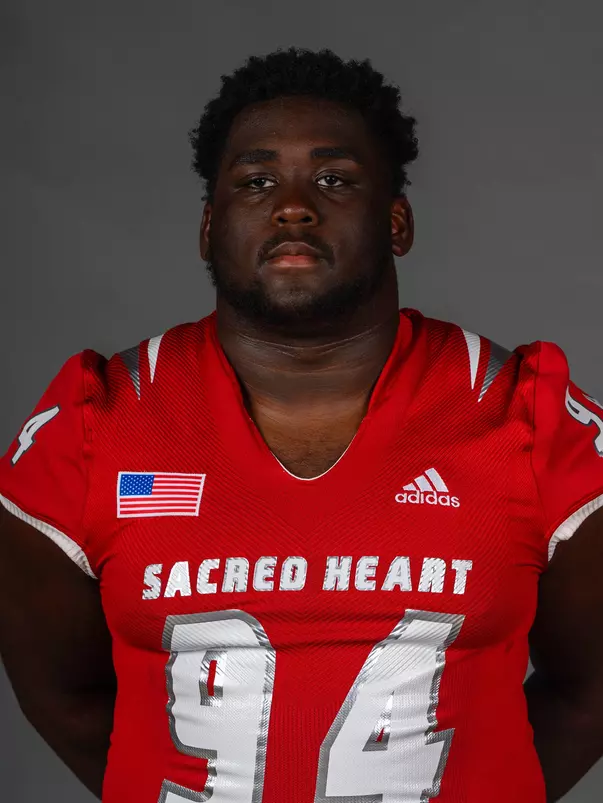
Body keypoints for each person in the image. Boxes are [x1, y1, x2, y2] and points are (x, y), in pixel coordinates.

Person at [1, 46, 603, 803]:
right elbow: (66, 699)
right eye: (256, 182)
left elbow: (590, 692)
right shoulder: (96, 420)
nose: (292, 206)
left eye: (333, 179)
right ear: (208, 227)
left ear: (396, 222)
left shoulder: (525, 412)